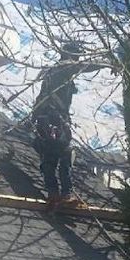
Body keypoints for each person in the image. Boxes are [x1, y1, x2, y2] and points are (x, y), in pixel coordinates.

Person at [30, 42, 90, 201]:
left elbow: (39, 98)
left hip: (50, 119)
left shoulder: (53, 73)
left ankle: (57, 193)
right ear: (69, 54)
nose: (78, 59)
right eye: (76, 56)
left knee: (53, 155)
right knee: (62, 153)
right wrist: (107, 64)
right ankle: (62, 194)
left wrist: (32, 118)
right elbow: (82, 66)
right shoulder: (62, 69)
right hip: (52, 120)